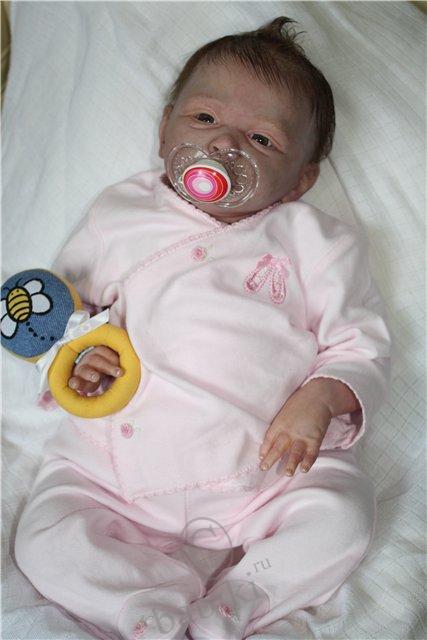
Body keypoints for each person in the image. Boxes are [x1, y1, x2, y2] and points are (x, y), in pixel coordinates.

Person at [14, 17, 392, 640]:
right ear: (165, 128)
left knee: (344, 515)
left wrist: (324, 396)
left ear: (302, 179)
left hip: (269, 470)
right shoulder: (120, 214)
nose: (224, 144)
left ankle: (242, 598)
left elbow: (361, 343)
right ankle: (141, 600)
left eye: (262, 139)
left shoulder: (317, 242)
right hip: (115, 472)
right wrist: (77, 359)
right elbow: (63, 314)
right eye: (205, 118)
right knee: (47, 539)